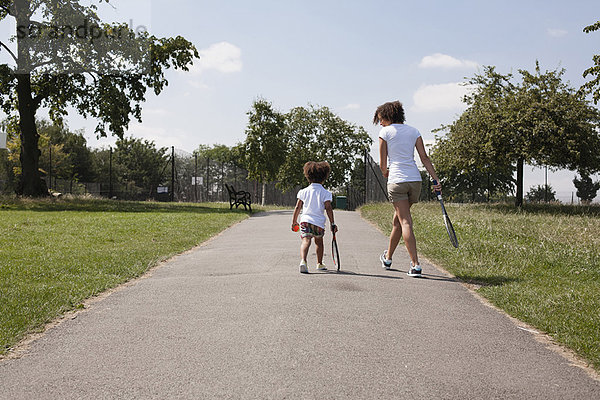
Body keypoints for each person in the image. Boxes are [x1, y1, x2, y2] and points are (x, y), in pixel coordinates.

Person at [374, 100, 441, 277]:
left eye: (381, 119)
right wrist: (435, 179)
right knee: (398, 221)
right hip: (415, 181)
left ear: (389, 116)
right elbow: (424, 158)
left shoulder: (385, 132)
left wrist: (386, 172)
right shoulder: (414, 131)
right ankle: (387, 257)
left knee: (405, 222)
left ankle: (415, 265)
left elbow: (382, 164)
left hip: (397, 180)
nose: (380, 123)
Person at [291, 161, 338, 274]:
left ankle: (303, 261)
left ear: (308, 176)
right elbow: (328, 209)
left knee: (306, 241)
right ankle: (319, 263)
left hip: (305, 221)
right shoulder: (325, 193)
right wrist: (332, 223)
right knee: (319, 242)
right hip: (318, 223)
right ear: (324, 177)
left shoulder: (303, 191)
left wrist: (294, 221)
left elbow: (298, 207)